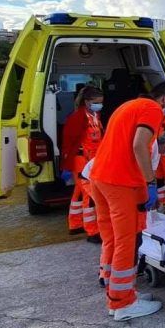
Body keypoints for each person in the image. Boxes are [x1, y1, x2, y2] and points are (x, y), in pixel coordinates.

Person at [89, 80, 165, 321]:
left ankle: (116, 291)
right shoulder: (151, 109)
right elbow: (139, 145)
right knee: (127, 242)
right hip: (121, 183)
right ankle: (122, 303)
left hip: (100, 177)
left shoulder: (128, 106)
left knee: (111, 237)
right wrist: (150, 183)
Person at [61, 85, 104, 242]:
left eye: (100, 102)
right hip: (82, 160)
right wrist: (66, 164)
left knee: (79, 193)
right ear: (86, 102)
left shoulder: (94, 116)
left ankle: (75, 224)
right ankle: (92, 231)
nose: (99, 105)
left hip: (92, 159)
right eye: (96, 102)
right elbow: (69, 142)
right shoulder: (78, 118)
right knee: (89, 194)